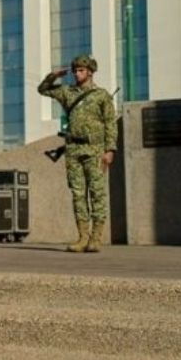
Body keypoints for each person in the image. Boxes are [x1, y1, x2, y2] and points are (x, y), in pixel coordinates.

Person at [37, 54, 118, 253]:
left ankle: (96, 238)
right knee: (78, 194)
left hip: (95, 150)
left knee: (97, 193)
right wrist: (53, 76)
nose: (76, 74)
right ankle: (82, 237)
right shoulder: (68, 92)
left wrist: (110, 149)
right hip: (73, 149)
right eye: (75, 71)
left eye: (81, 70)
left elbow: (110, 123)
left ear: (90, 72)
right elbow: (43, 90)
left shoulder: (101, 95)